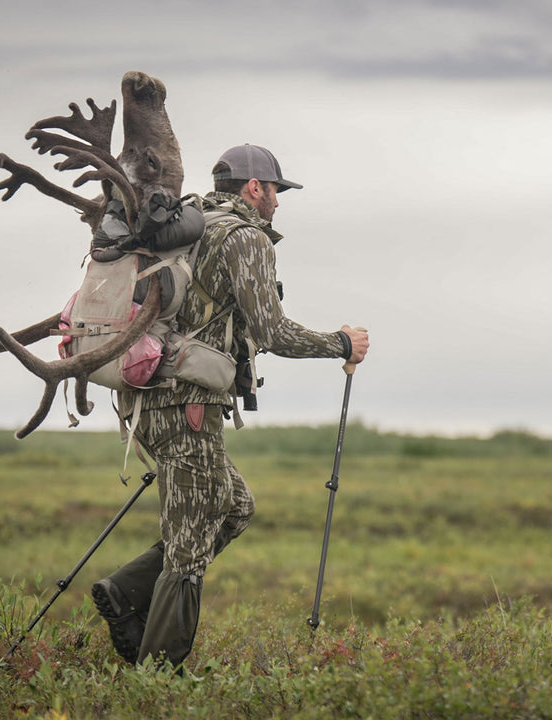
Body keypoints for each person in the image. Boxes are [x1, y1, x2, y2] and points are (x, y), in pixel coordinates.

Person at [92, 143, 370, 669]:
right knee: (188, 548)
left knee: (235, 508)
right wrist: (340, 343)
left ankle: (125, 593)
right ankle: (157, 681)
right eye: (276, 191)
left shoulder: (188, 228)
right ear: (253, 188)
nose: (278, 203)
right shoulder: (245, 239)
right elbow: (274, 332)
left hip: (149, 400)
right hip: (188, 405)